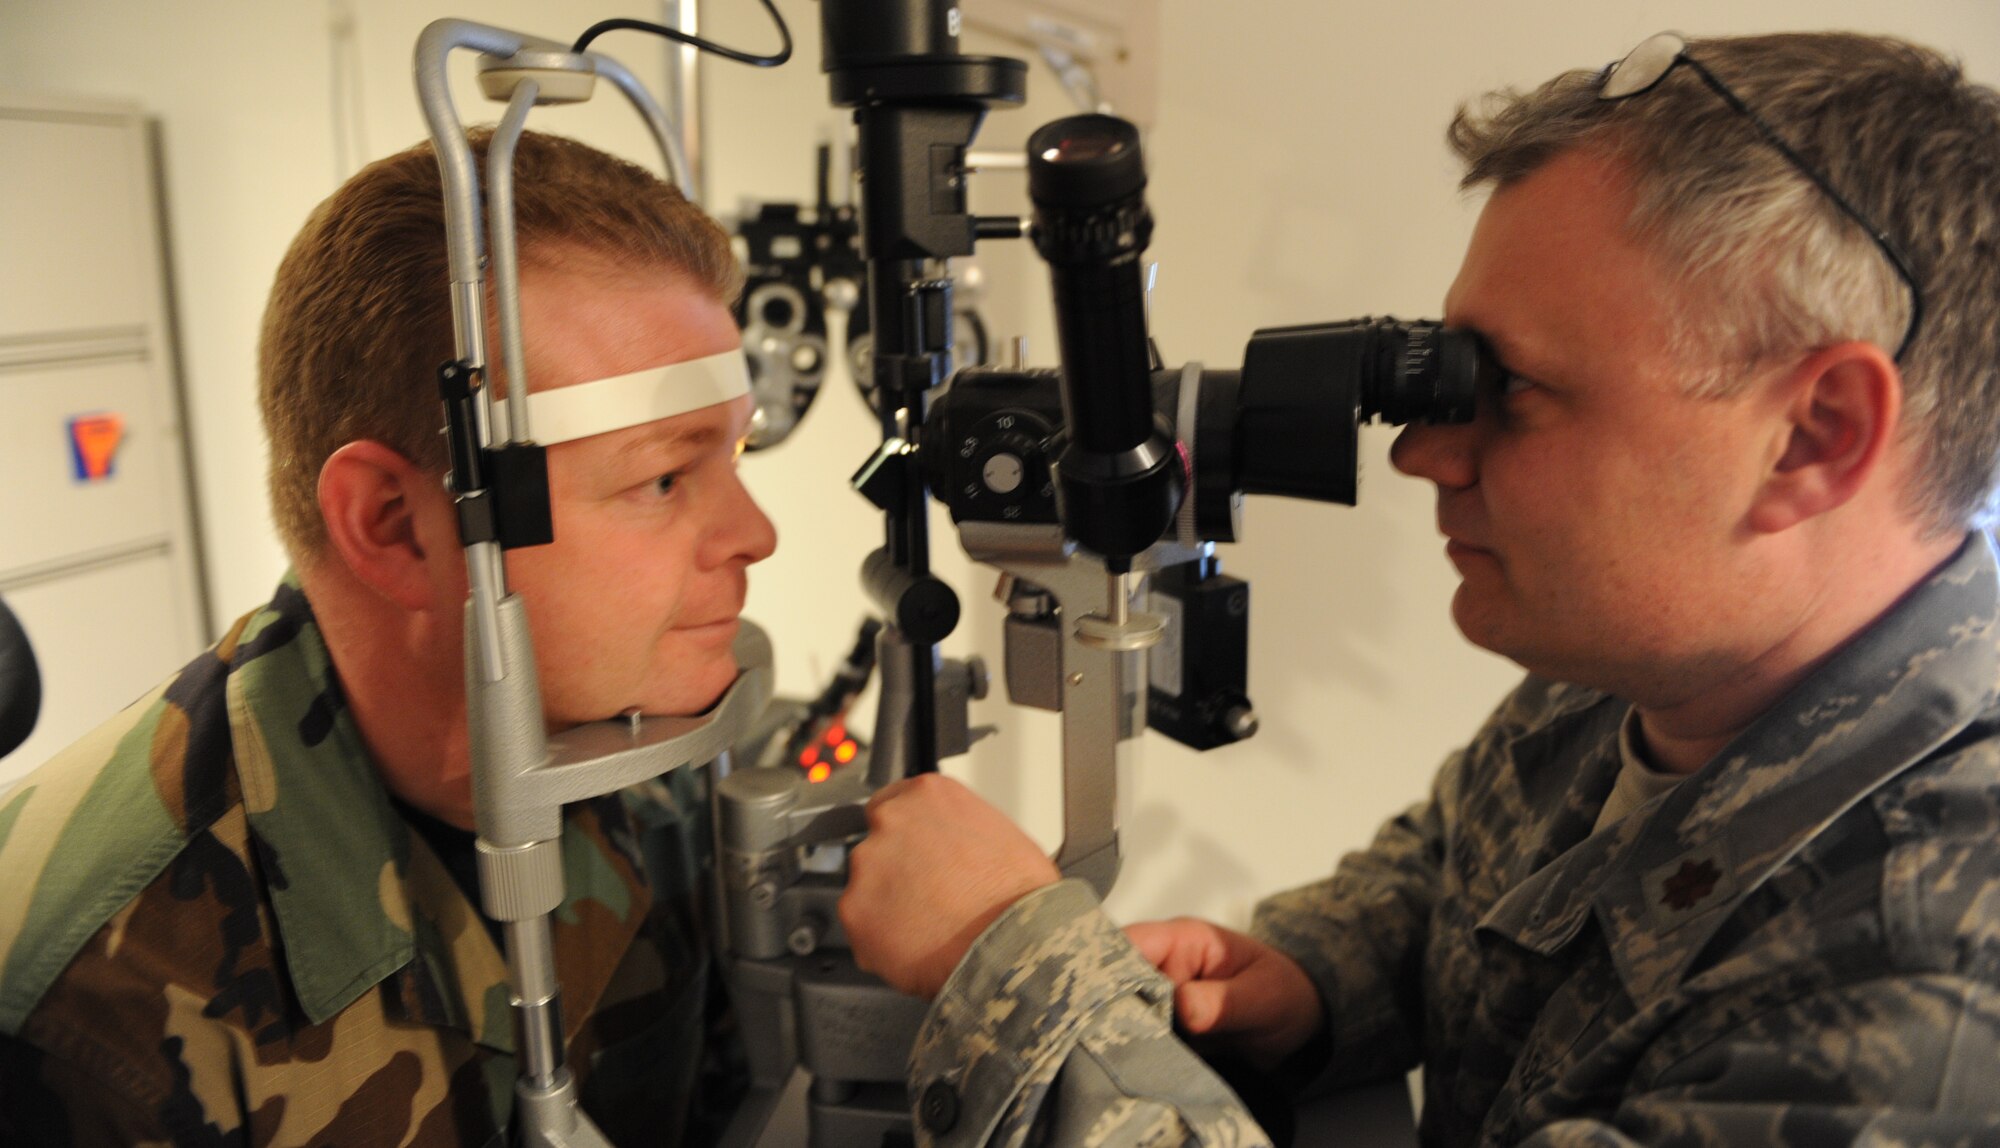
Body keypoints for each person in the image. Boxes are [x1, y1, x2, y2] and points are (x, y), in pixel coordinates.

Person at [839, 30, 2000, 1146]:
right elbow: (1454, 868)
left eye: (1517, 388)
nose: (1424, 453)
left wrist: (1012, 964)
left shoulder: (1931, 988)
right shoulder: (1642, 668)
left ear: (1813, 435)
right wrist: (1320, 979)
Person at [0, 129, 777, 1145]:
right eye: (662, 477)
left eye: (735, 454)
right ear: (396, 525)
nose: (755, 534)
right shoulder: (98, 1014)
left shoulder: (642, 763)